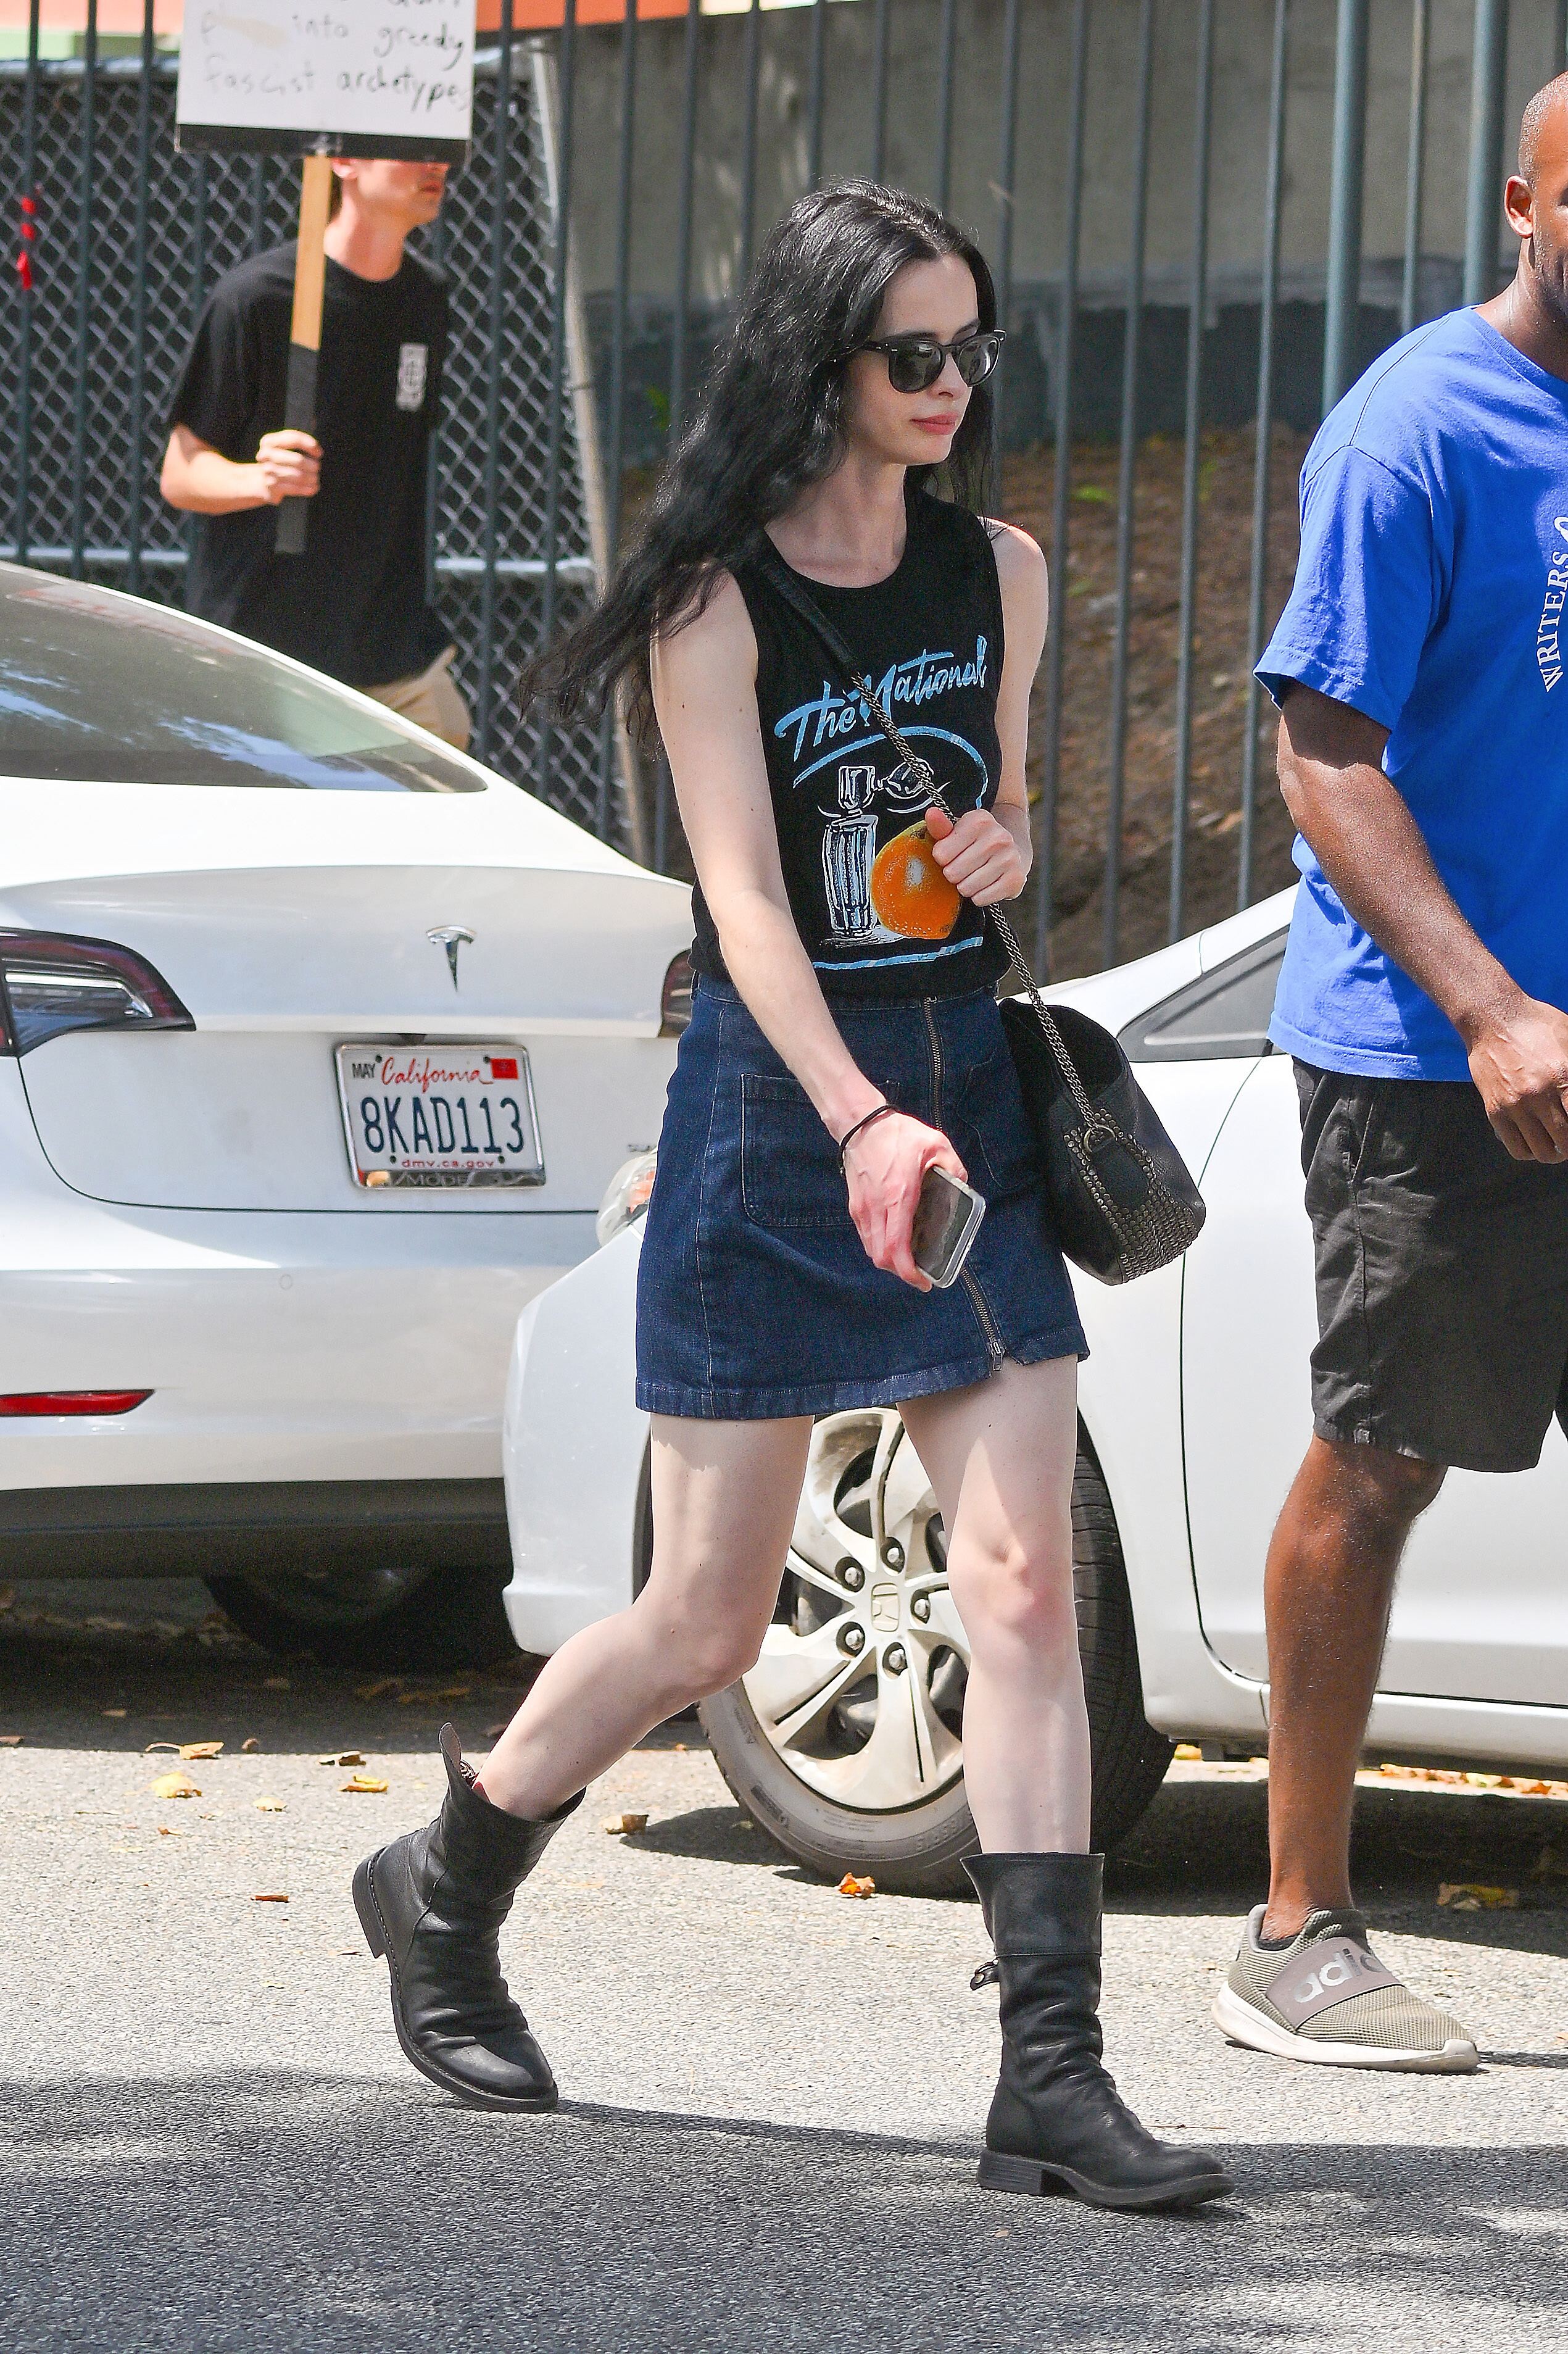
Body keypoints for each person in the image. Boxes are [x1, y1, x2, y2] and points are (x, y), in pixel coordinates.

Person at [351, 183, 1230, 2213]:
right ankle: (448, 1879)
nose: (953, 384)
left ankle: (1049, 2075)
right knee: (705, 1614)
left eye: (971, 347)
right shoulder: (714, 600)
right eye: (915, 351)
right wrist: (850, 1120)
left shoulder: (999, 572)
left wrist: (1001, 850)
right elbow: (743, 899)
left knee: (1022, 1584)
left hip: (964, 1101)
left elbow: (993, 815)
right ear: (821, 359)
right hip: (778, 1113)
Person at [1216, 75, 1568, 2073]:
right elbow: (1322, 751)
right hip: (1437, 1059)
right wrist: (1491, 1007)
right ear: (1523, 199)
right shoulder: (1416, 426)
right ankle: (1294, 1924)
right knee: (1383, 1459)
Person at [159, 157, 470, 751]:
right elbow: (181, 472)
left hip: (389, 648)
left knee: (445, 750)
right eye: (408, 145)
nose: (436, 164)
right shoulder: (256, 298)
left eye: (439, 146)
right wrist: (260, 480)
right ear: (344, 161)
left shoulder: (426, 297)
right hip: (264, 647)